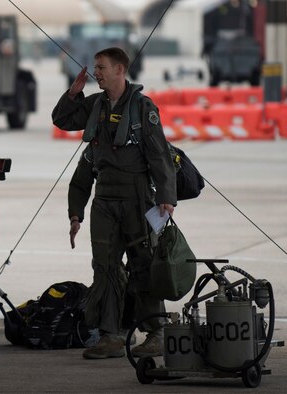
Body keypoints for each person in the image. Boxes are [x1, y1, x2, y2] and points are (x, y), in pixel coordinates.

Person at [51, 47, 176, 359]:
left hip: (138, 198)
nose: (97, 72)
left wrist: (166, 197)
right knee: (104, 268)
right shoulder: (95, 105)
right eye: (95, 67)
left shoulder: (143, 107)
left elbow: (159, 153)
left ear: (120, 69)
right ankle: (111, 336)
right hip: (105, 199)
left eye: (102, 67)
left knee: (144, 266)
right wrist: (73, 92)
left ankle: (156, 332)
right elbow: (62, 119)